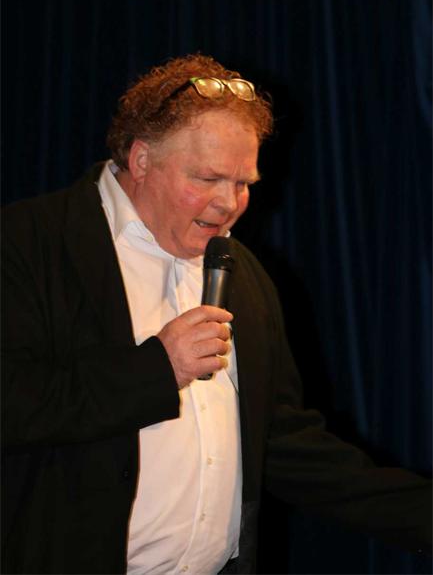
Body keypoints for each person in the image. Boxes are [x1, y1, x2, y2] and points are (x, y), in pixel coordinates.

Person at [1, 53, 431, 575]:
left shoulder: (241, 272)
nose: (229, 203)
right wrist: (158, 369)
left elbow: (282, 442)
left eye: (244, 183)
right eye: (208, 178)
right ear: (141, 160)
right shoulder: (29, 243)